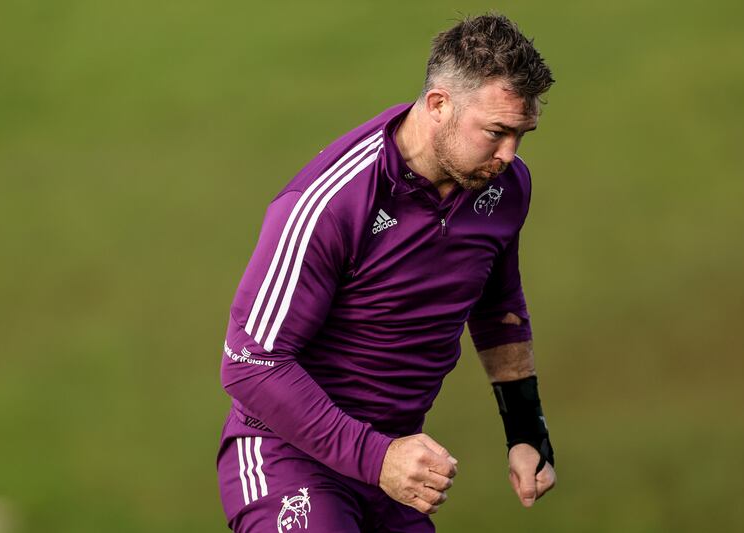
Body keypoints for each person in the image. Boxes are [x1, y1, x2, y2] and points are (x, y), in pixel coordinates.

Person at [217, 13, 557, 532]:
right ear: (440, 104)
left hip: (396, 465)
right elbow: (251, 363)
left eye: (521, 133)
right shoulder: (330, 204)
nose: (510, 155)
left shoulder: (504, 188)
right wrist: (378, 457)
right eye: (497, 132)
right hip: (288, 457)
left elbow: (497, 305)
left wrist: (526, 429)